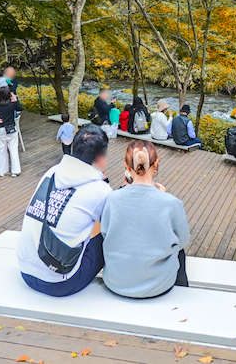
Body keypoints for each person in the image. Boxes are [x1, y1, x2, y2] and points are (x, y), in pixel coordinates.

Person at [17, 124, 112, 297]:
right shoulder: (100, 190)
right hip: (60, 282)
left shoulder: (52, 172)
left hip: (25, 270)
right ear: (100, 157)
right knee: (107, 236)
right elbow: (114, 223)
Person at [101, 140, 189, 298]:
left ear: (127, 167)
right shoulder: (171, 203)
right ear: (156, 164)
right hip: (158, 286)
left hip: (115, 282)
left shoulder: (112, 199)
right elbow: (183, 241)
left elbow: (105, 235)